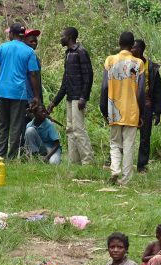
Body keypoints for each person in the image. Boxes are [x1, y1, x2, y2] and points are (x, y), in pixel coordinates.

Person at [99, 31, 145, 185]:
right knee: (128, 145)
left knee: (114, 143)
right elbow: (140, 92)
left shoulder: (110, 60)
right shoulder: (139, 63)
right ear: (132, 46)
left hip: (114, 109)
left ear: (119, 44)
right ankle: (125, 180)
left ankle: (115, 169)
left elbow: (105, 87)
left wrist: (103, 108)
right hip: (132, 111)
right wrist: (141, 113)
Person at [0, 22, 40, 159]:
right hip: (19, 94)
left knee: (3, 124)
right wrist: (36, 96)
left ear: (11, 34)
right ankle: (11, 157)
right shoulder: (29, 51)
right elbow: (33, 74)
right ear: (22, 35)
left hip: (2, 92)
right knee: (16, 126)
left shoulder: (3, 47)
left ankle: (0, 155)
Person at [47, 27, 94, 165]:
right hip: (70, 97)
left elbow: (88, 76)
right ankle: (74, 161)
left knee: (78, 129)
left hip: (78, 98)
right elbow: (65, 83)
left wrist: (83, 97)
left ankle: (88, 161)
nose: (61, 38)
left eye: (62, 36)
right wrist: (54, 103)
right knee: (70, 129)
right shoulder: (68, 53)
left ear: (69, 37)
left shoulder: (81, 52)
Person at [130, 39, 161, 173]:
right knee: (127, 134)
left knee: (145, 137)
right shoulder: (128, 64)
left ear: (141, 49)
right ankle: (120, 161)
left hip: (146, 105)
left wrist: (157, 111)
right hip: (130, 104)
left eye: (134, 48)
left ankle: (141, 165)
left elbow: (158, 90)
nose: (132, 50)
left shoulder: (151, 67)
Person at [23, 29, 43, 106]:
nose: (34, 43)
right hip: (29, 98)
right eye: (31, 41)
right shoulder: (27, 56)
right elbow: (33, 75)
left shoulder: (34, 56)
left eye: (35, 41)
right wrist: (35, 98)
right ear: (24, 41)